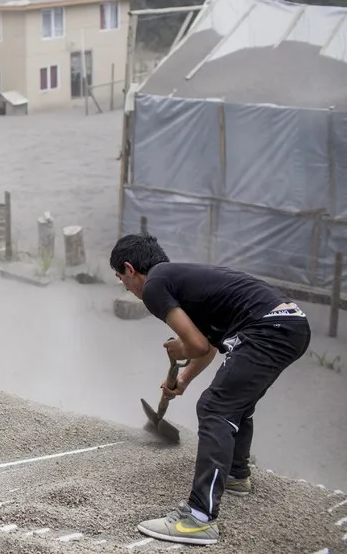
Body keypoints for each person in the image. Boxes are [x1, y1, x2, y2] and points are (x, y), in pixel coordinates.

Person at [110, 233, 311, 546]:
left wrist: (180, 348)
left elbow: (196, 344)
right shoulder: (185, 284)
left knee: (215, 407)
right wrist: (184, 380)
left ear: (130, 269)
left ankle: (198, 519)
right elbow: (208, 347)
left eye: (121, 278)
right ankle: (235, 474)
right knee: (235, 403)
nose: (124, 285)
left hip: (268, 328)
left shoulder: (154, 286)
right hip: (290, 324)